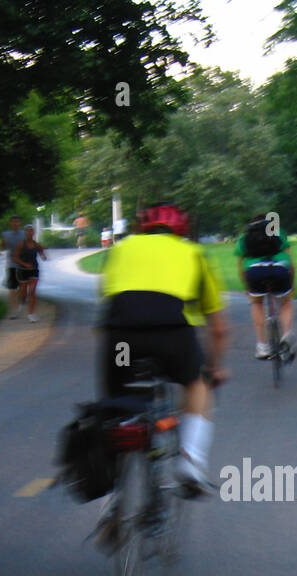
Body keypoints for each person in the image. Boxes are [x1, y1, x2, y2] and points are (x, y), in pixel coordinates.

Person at [97, 201, 230, 505]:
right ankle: (190, 462)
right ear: (181, 229)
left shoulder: (120, 250)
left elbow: (106, 303)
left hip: (121, 340)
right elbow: (220, 329)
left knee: (115, 404)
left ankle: (111, 498)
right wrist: (215, 367)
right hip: (173, 336)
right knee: (197, 383)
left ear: (142, 228)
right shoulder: (194, 254)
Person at [236, 212, 296, 359]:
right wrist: (292, 282)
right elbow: (290, 261)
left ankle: (262, 346)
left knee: (256, 303)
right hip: (279, 269)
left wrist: (247, 287)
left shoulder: (244, 238)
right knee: (286, 302)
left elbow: (240, 267)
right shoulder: (278, 233)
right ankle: (286, 335)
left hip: (255, 271)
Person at [12, 224, 48, 322]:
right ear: (25, 233)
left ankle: (31, 314)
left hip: (34, 270)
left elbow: (42, 253)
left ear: (34, 233)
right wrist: (24, 264)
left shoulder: (37, 245)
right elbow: (15, 257)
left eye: (31, 230)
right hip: (22, 271)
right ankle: (20, 301)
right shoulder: (21, 245)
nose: (29, 232)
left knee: (32, 292)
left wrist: (44, 256)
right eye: (28, 230)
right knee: (24, 293)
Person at [0, 215, 26, 318]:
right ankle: (15, 310)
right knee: (12, 288)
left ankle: (20, 303)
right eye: (14, 222)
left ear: (20, 223)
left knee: (22, 287)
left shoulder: (24, 234)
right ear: (11, 223)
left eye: (17, 222)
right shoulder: (6, 235)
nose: (15, 224)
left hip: (23, 264)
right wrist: (0, 250)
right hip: (11, 264)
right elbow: (2, 245)